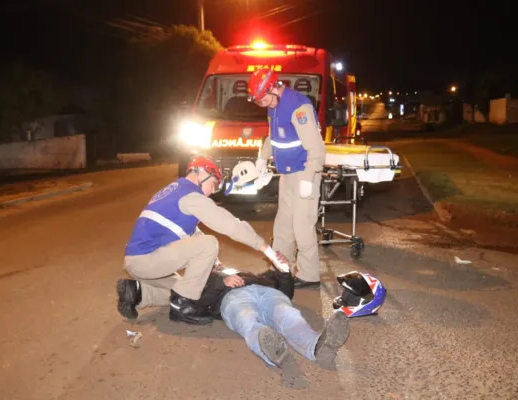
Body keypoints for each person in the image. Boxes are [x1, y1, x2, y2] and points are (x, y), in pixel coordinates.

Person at [116, 156, 291, 325]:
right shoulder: (192, 196)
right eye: (213, 184)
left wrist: (216, 264)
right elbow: (231, 225)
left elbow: (193, 233)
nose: (212, 192)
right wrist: (268, 251)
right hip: (147, 261)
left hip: (140, 262)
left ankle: (136, 293)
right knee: (209, 244)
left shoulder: (176, 189)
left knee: (193, 288)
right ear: (200, 172)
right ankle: (183, 307)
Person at [247, 67, 327, 289]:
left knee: (302, 226)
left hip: (304, 173)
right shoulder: (273, 105)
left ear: (272, 87)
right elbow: (273, 137)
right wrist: (262, 160)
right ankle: (281, 269)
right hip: (287, 174)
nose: (262, 104)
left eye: (263, 100)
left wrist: (308, 179)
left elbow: (317, 148)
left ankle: (309, 275)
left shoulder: (298, 107)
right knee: (283, 226)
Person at [192, 263, 351, 369]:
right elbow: (197, 305)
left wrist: (284, 273)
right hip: (232, 298)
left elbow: (286, 293)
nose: (216, 262)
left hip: (265, 291)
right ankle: (273, 350)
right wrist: (221, 283)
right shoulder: (206, 280)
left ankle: (316, 347)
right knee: (246, 318)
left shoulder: (249, 274)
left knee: (287, 313)